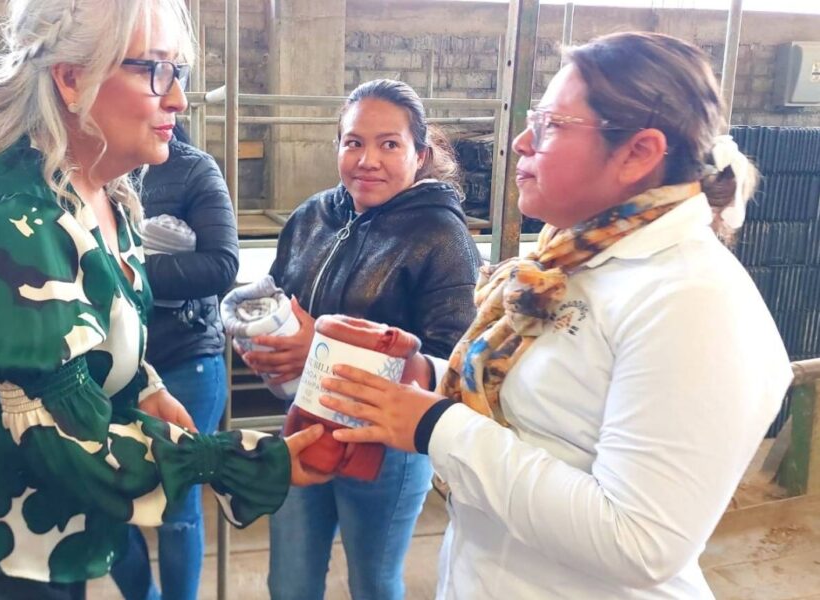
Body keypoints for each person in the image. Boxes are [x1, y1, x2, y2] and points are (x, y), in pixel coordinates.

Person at [319, 32, 792, 599]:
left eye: (549, 126)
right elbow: (547, 421)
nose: (520, 143)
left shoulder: (693, 305)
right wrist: (426, 375)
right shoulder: (572, 261)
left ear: (639, 152)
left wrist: (433, 425)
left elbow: (639, 541)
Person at [0, 1, 326, 598]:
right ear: (71, 78)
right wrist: (242, 461)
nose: (178, 99)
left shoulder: (105, 197)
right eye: (154, 70)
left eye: (178, 72)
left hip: (51, 540)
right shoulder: (5, 220)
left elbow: (93, 335)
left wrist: (145, 386)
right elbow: (64, 437)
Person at [239, 79, 480, 600]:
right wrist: (264, 340)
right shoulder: (312, 217)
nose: (368, 160)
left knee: (372, 583)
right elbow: (280, 298)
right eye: (354, 142)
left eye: (389, 144)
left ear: (420, 154)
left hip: (386, 444)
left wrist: (319, 353)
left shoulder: (441, 237)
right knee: (289, 581)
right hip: (305, 421)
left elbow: (453, 365)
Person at [109, 123, 236, 600]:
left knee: (177, 505)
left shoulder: (192, 168)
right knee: (108, 501)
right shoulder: (87, 169)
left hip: (184, 358)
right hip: (109, 367)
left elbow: (221, 265)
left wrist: (126, 266)